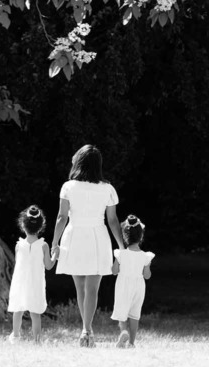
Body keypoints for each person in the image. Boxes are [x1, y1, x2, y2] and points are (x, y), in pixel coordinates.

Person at [51, 144, 125, 347]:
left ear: (79, 162)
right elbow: (113, 220)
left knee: (80, 287)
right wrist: (121, 248)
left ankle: (87, 331)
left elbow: (61, 217)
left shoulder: (68, 186)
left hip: (74, 235)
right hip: (97, 237)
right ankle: (86, 330)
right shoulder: (108, 188)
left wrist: (55, 242)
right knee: (92, 287)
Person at [7, 205, 54, 342]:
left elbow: (18, 263)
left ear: (23, 224)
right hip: (35, 283)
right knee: (35, 313)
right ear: (41, 225)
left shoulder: (19, 245)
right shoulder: (43, 246)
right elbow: (49, 265)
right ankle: (37, 340)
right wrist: (55, 255)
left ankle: (15, 336)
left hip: (20, 282)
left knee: (18, 310)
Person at [111, 214, 155, 348]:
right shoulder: (145, 256)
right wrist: (147, 266)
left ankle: (124, 331)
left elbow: (114, 271)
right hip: (139, 286)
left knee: (121, 310)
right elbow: (147, 276)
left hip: (123, 285)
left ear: (125, 236)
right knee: (135, 314)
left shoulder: (120, 254)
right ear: (141, 236)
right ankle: (131, 343)